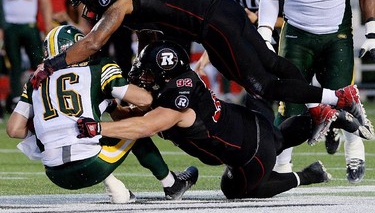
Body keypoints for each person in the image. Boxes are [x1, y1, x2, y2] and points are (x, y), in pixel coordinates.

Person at [30, 0, 372, 145]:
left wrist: (51, 65)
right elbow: (151, 29)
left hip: (211, 23)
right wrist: (144, 63)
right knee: (269, 64)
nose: (84, 5)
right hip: (219, 11)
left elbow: (92, 43)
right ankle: (324, 106)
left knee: (263, 86)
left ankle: (336, 96)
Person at [75, 40, 373, 199]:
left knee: (235, 189)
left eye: (148, 71)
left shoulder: (176, 100)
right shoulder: (177, 85)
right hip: (250, 124)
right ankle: (331, 117)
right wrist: (113, 106)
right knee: (277, 138)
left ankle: (309, 175)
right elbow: (144, 113)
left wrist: (99, 127)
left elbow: (146, 126)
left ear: (164, 74)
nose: (142, 76)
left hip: (249, 154)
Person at [6, 25, 198, 202]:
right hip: (92, 166)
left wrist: (48, 127)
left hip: (54, 173)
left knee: (89, 131)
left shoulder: (35, 81)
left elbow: (14, 129)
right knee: (134, 125)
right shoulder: (98, 69)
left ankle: (117, 189)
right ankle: (172, 184)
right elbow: (144, 100)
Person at [257, 0, 375, 182]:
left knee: (344, 95)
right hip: (296, 32)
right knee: (289, 101)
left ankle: (354, 150)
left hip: (336, 34)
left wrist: (372, 30)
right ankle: (282, 165)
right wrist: (264, 33)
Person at [0, 0, 53, 112]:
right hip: (10, 25)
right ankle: (16, 99)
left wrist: (48, 27)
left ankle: (44, 96)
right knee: (13, 65)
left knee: (39, 63)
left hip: (30, 24)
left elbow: (45, 1)